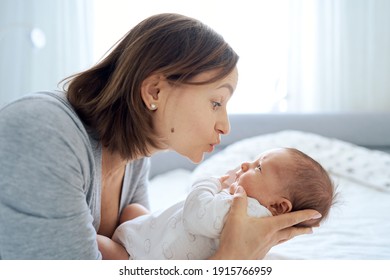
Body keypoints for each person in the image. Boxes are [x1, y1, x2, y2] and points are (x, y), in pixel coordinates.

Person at [0, 13, 320, 260]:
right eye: (215, 102)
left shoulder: (135, 159)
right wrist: (229, 260)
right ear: (155, 91)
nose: (225, 126)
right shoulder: (44, 132)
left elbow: (138, 256)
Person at [97, 147, 335, 260]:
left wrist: (209, 183)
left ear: (279, 207)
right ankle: (130, 231)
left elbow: (194, 213)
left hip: (142, 258)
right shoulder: (256, 218)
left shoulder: (244, 214)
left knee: (98, 244)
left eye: (258, 168)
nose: (245, 165)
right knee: (133, 211)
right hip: (156, 235)